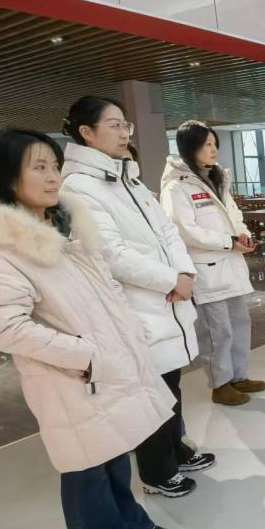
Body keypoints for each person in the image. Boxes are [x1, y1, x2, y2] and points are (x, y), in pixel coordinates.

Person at [0, 128, 176, 529]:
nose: (54, 177)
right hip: (68, 375)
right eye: (39, 167)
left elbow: (107, 287)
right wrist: (85, 355)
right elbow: (4, 327)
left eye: (55, 165)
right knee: (85, 466)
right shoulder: (0, 247)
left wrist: (128, 333)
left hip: (104, 365)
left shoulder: (67, 224)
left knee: (114, 451)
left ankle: (130, 524)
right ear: (8, 177)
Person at [60, 96, 214, 498]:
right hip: (139, 305)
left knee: (171, 383)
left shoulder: (129, 178)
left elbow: (167, 232)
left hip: (168, 298)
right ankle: (157, 472)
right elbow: (110, 254)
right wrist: (170, 279)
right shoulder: (79, 186)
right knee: (150, 391)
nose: (124, 132)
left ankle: (176, 450)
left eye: (125, 124)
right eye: (114, 125)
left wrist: (184, 273)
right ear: (86, 132)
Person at [160, 120, 265, 406]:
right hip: (207, 269)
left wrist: (242, 235)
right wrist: (229, 241)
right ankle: (220, 383)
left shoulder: (217, 179)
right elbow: (185, 231)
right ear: (189, 147)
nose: (213, 149)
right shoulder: (176, 188)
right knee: (217, 331)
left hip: (231, 265)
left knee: (239, 324)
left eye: (214, 143)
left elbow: (234, 216)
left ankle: (239, 375)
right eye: (207, 144)